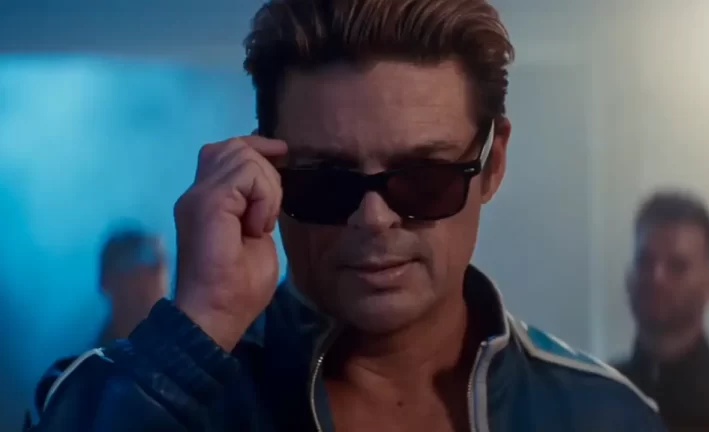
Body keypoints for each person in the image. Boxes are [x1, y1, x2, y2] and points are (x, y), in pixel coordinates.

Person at [32, 0, 665, 430]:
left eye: (422, 178)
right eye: (327, 181)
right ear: (266, 171)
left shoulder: (602, 414)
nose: (373, 218)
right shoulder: (125, 398)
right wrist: (199, 328)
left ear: (492, 163)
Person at [614, 191, 709, 429]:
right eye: (645, 262)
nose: (656, 278)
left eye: (677, 266)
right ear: (628, 278)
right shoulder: (584, 400)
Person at [23, 227, 168, 430]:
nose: (146, 278)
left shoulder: (183, 361)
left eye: (155, 264)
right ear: (106, 280)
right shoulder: (81, 377)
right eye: (130, 265)